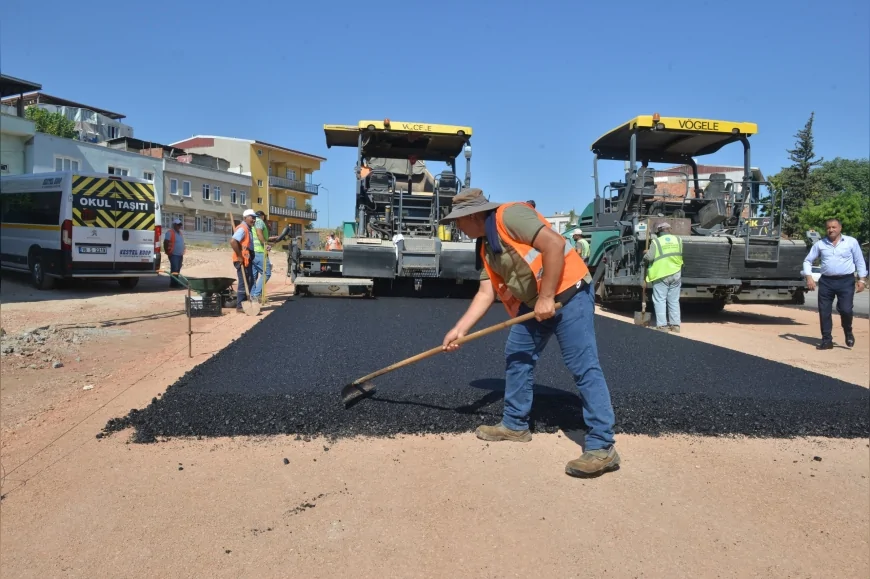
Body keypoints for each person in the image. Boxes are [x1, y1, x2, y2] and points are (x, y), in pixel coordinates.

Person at [438, 188, 620, 478]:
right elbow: (486, 292)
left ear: (472, 215)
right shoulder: (486, 246)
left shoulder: (510, 215)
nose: (456, 227)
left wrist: (547, 296)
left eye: (458, 221)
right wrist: (459, 330)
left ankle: (602, 446)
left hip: (568, 296)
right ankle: (515, 424)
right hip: (537, 304)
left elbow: (554, 244)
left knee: (582, 366)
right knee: (517, 355)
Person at [803, 218, 867, 349]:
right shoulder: (820, 244)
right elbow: (807, 261)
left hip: (846, 281)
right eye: (828, 228)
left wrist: (862, 279)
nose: (831, 230)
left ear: (840, 228)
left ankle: (848, 331)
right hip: (826, 282)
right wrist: (808, 277)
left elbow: (860, 261)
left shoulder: (851, 242)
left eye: (834, 227)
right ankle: (827, 340)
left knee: (846, 309)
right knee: (824, 311)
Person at [642, 221, 683, 332]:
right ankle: (675, 326)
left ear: (659, 232)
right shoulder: (678, 240)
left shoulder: (656, 242)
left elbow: (650, 257)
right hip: (676, 273)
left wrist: (645, 254)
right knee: (674, 300)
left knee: (660, 299)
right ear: (669, 230)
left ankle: (662, 326)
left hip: (662, 273)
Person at [231, 209, 257, 313]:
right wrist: (239, 256)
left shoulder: (248, 228)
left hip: (247, 259)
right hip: (241, 260)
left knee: (249, 280)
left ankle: (245, 302)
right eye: (252, 217)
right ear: (245, 218)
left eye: (254, 218)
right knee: (244, 282)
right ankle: (240, 306)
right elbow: (233, 241)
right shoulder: (243, 228)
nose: (254, 220)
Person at [250, 210, 272, 302]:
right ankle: (256, 295)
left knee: (254, 275)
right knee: (266, 273)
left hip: (253, 252)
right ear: (263, 216)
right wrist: (265, 244)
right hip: (259, 251)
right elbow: (259, 234)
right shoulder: (259, 222)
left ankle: (252, 295)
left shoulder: (253, 222)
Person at [163, 217, 185, 288]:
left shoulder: (180, 233)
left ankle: (176, 282)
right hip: (173, 254)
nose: (179, 226)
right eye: (178, 225)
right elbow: (165, 242)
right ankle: (173, 284)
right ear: (174, 225)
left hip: (179, 255)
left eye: (180, 225)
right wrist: (167, 251)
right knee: (174, 269)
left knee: (177, 269)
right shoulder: (170, 232)